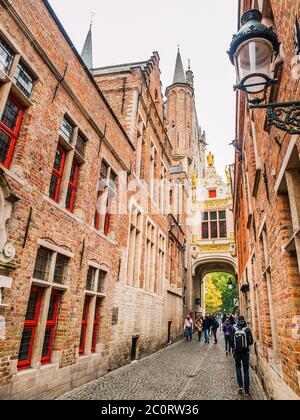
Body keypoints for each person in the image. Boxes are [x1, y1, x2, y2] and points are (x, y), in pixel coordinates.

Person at [232, 316, 254, 396]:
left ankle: (240, 386)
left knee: (238, 368)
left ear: (238, 320)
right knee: (246, 370)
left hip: (237, 353)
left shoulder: (234, 329)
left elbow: (231, 341)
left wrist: (234, 349)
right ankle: (247, 390)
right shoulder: (247, 329)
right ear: (244, 321)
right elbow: (251, 341)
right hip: (245, 352)